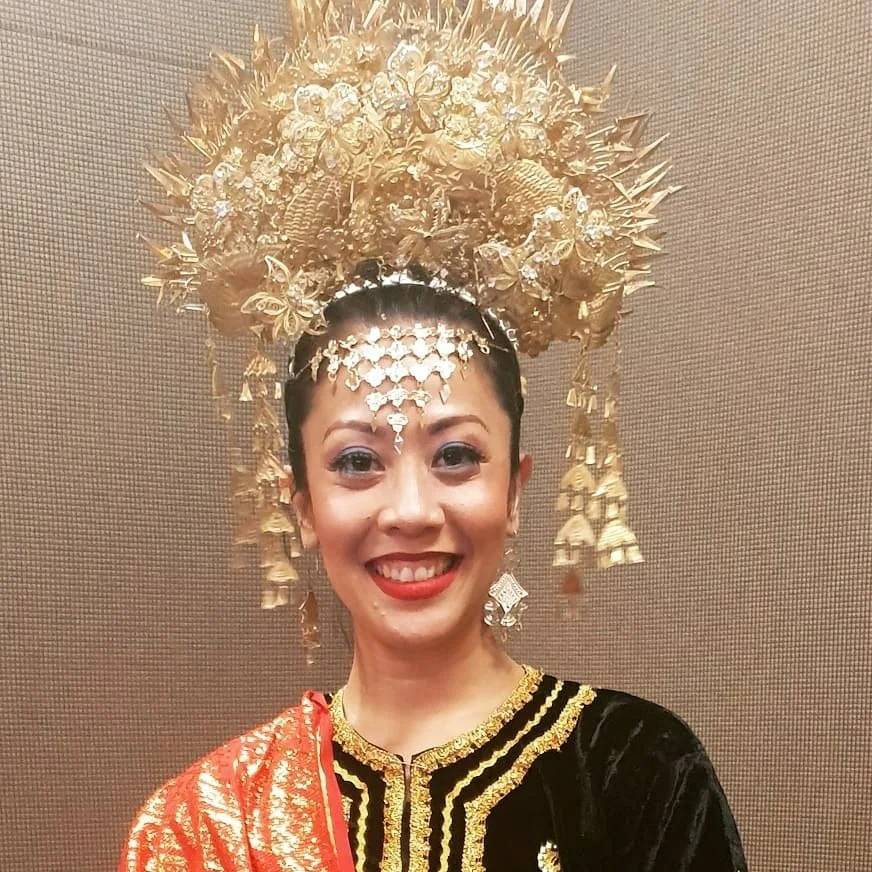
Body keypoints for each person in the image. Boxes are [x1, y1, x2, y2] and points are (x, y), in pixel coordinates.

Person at [121, 1, 747, 870]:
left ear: (517, 488)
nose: (411, 509)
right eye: (356, 463)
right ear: (298, 506)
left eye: (455, 455)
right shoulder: (210, 822)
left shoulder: (635, 770)